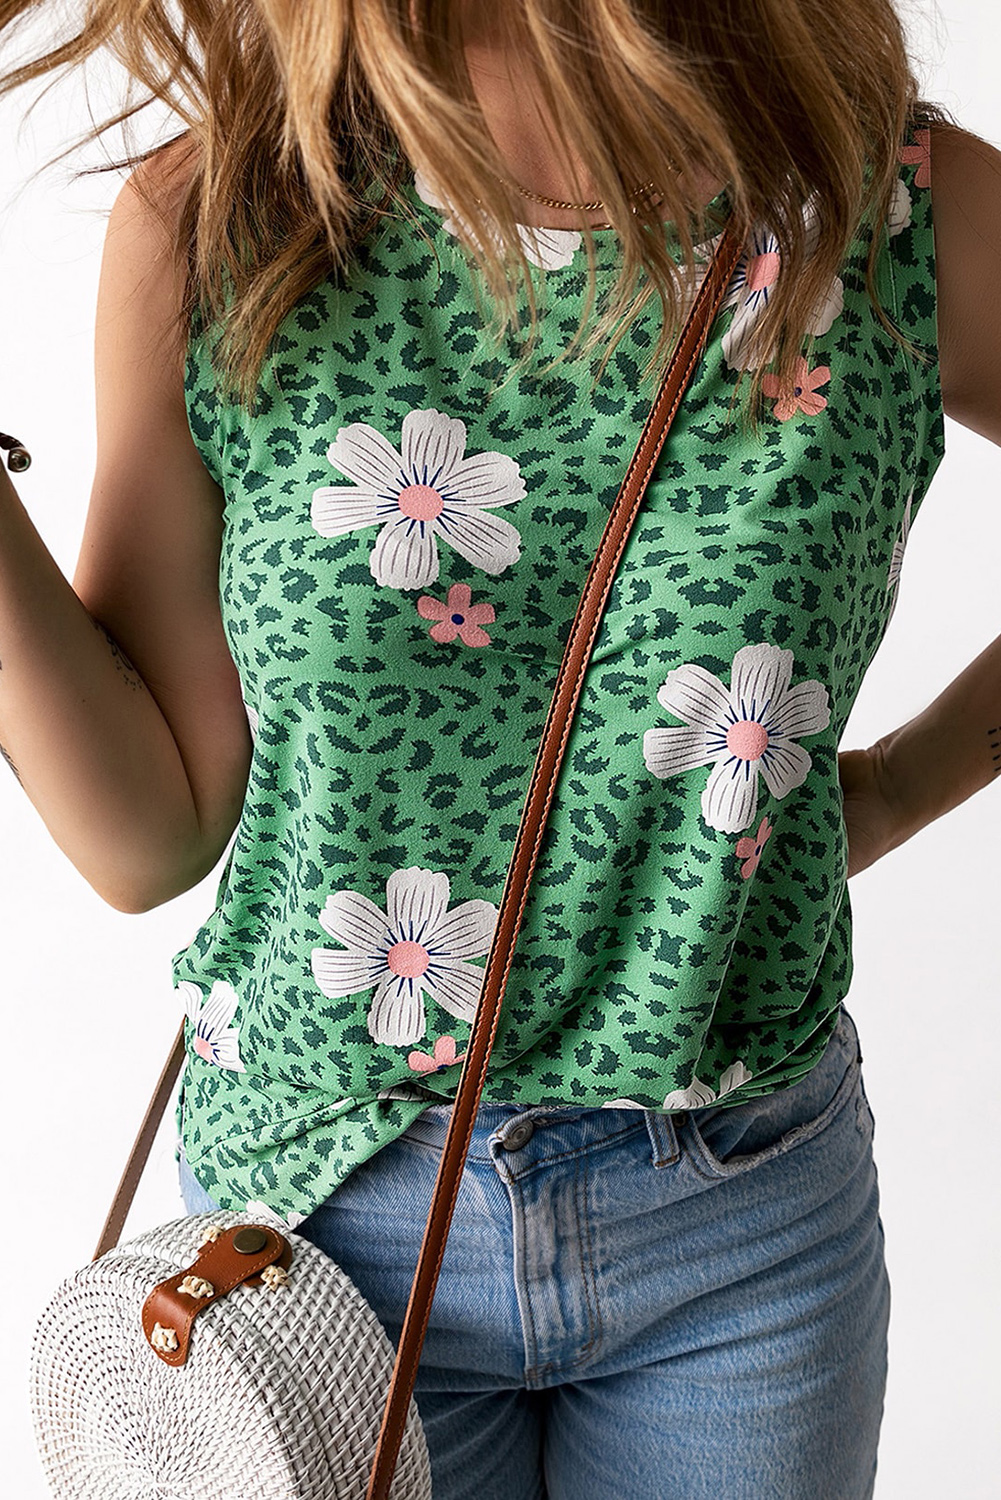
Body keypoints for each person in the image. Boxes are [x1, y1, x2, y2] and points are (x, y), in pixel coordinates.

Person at [2, 2, 999, 1496]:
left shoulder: (891, 212)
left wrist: (902, 787)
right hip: (314, 1232)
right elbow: (148, 834)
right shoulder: (229, 217)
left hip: (733, 1225)